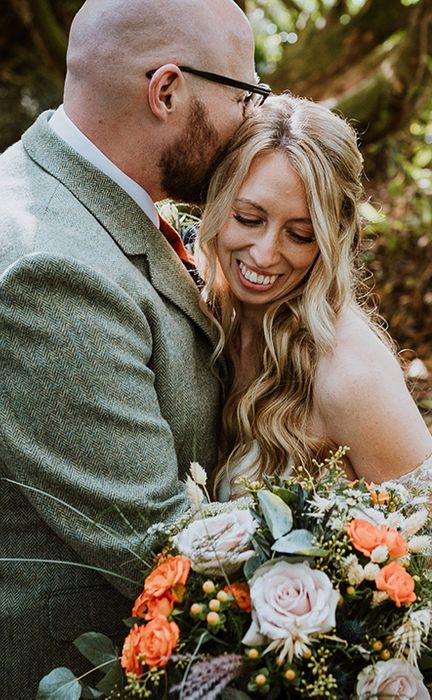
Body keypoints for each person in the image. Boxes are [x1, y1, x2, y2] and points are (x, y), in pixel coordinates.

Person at [0, 0, 263, 690]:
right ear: (168, 90)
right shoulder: (51, 268)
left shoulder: (94, 200)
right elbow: (159, 548)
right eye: (244, 95)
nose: (254, 122)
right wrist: (352, 609)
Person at [196, 95, 432, 564]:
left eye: (299, 235)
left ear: (332, 239)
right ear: (217, 201)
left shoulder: (348, 375)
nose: (264, 254)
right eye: (248, 218)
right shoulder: (206, 313)